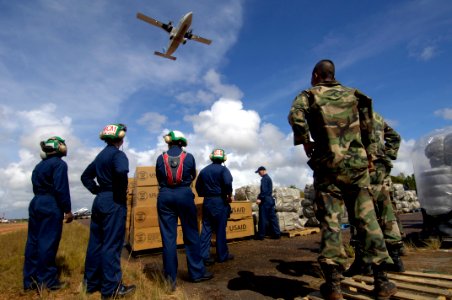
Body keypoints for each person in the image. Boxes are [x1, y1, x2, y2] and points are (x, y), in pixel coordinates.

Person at [288, 59, 397, 299]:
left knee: (331, 222)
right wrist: (369, 155)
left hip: (328, 168)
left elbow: (296, 115)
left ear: (316, 75)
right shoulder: (356, 95)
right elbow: (369, 128)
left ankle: (334, 285)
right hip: (357, 168)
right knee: (368, 222)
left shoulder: (308, 95)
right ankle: (382, 282)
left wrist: (305, 140)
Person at [344, 112, 405, 276]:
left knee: (360, 212)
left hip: (362, 168)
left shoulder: (350, 118)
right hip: (381, 168)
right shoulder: (377, 117)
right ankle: (396, 258)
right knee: (386, 210)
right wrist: (388, 154)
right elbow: (395, 137)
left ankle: (363, 261)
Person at [81, 124, 135, 299]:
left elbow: (85, 176)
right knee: (112, 244)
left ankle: (91, 284)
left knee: (95, 243)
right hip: (113, 202)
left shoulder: (100, 156)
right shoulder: (118, 155)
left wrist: (97, 190)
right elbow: (121, 171)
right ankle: (112, 288)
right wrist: (119, 192)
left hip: (100, 201)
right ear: (120, 138)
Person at [156, 130, 213, 290]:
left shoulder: (161, 158)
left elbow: (159, 177)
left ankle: (169, 281)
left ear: (169, 142)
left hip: (165, 196)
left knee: (168, 239)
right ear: (182, 142)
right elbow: (192, 175)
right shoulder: (189, 157)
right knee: (191, 235)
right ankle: (196, 273)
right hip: (184, 195)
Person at [23, 136, 73, 291]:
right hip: (50, 203)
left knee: (33, 242)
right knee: (48, 242)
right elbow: (61, 188)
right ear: (59, 147)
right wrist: (67, 210)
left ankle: (30, 281)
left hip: (36, 202)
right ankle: (47, 282)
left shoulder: (39, 166)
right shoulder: (59, 164)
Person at [196, 148, 234, 266]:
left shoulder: (204, 171)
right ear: (224, 158)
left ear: (211, 157)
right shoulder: (224, 170)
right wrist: (228, 194)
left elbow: (198, 187)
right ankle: (222, 255)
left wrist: (204, 194)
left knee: (206, 228)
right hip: (220, 201)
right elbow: (227, 183)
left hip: (207, 201)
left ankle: (203, 256)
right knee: (220, 229)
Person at [255, 166, 280, 240]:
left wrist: (259, 198)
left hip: (265, 201)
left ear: (262, 171)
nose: (258, 174)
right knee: (273, 218)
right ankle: (277, 234)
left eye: (259, 172)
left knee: (263, 218)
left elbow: (264, 191)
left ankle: (261, 235)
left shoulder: (264, 179)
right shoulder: (269, 178)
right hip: (270, 200)